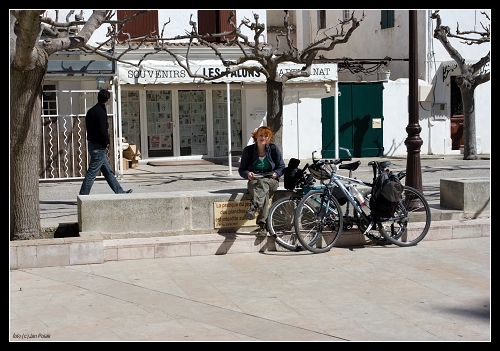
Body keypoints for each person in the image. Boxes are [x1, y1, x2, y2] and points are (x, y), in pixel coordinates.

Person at [79, 89, 132, 195]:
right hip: (99, 147)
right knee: (92, 173)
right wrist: (105, 143)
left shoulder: (91, 111)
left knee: (108, 172)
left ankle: (119, 192)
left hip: (92, 144)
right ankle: (83, 195)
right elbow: (103, 129)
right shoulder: (101, 112)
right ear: (108, 100)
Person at [238, 126, 285, 237]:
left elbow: (281, 167)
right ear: (256, 137)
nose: (263, 138)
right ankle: (262, 226)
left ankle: (253, 206)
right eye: (261, 135)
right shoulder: (248, 151)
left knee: (263, 184)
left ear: (269, 138)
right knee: (263, 193)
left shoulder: (274, 149)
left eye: (266, 136)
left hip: (271, 181)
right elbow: (242, 169)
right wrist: (247, 174)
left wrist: (276, 173)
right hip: (254, 180)